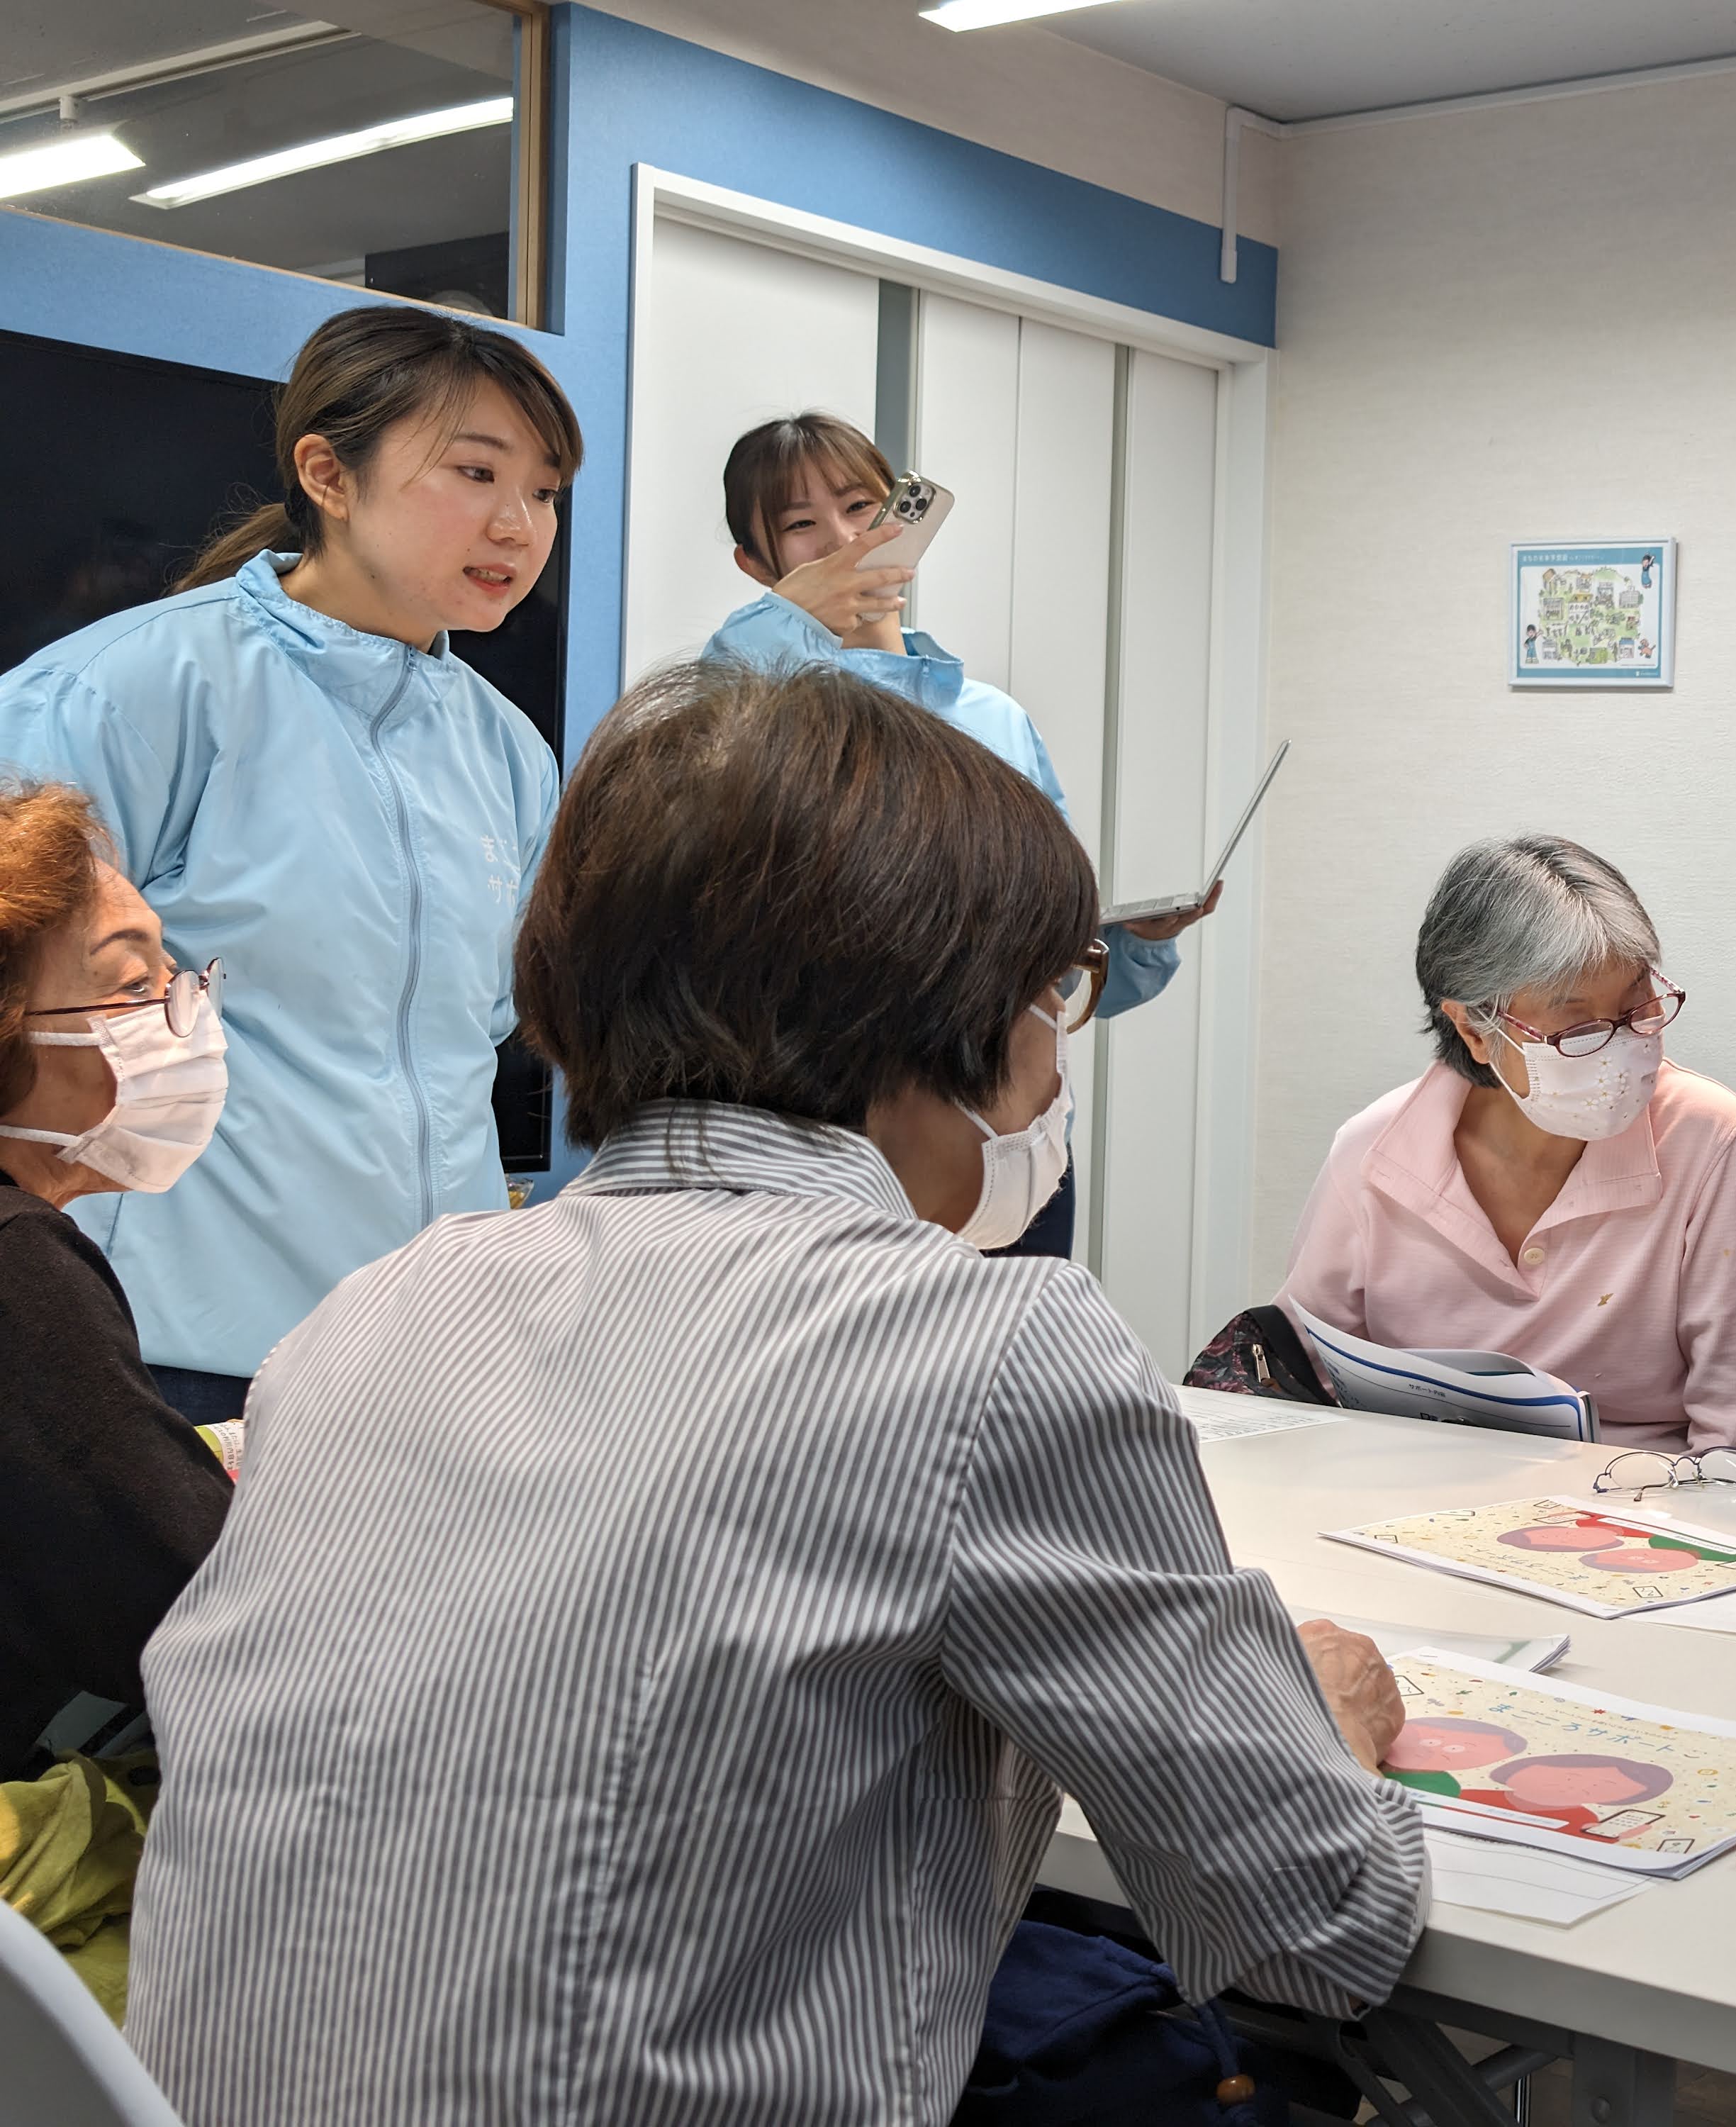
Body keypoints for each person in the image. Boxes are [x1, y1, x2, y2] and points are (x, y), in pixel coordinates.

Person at [125, 658, 1429, 2123]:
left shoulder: (375, 1311)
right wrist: (1318, 1723)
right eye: (1051, 996)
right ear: (945, 1017)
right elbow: (1315, 1928)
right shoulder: (977, 1344)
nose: (1058, 1068)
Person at [0, 304, 578, 1424]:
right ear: (327, 473)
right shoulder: (127, 692)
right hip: (175, 1349)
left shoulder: (507, 749)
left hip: (425, 1349)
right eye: (475, 473)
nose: (518, 525)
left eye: (546, 491)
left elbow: (477, 1033)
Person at [703, 411, 1216, 1258]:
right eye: (801, 525)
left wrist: (1132, 946)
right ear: (758, 568)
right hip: (840, 1152)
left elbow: (1049, 962)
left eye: (861, 507)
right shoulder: (761, 717)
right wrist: (781, 624)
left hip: (1013, 1142)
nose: (846, 540)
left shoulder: (994, 720)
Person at [1277, 834, 1736, 1458]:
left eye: (1637, 1005)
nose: (1621, 1047)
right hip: (1413, 1486)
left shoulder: (1706, 1137)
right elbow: (1293, 1381)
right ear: (1474, 1029)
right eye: (1577, 1025)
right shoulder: (1374, 1155)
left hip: (1640, 1494)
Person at [0, 781, 234, 1782]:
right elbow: (189, 1598)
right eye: (135, 988)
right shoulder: (18, 1270)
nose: (186, 1018)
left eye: (176, 977)